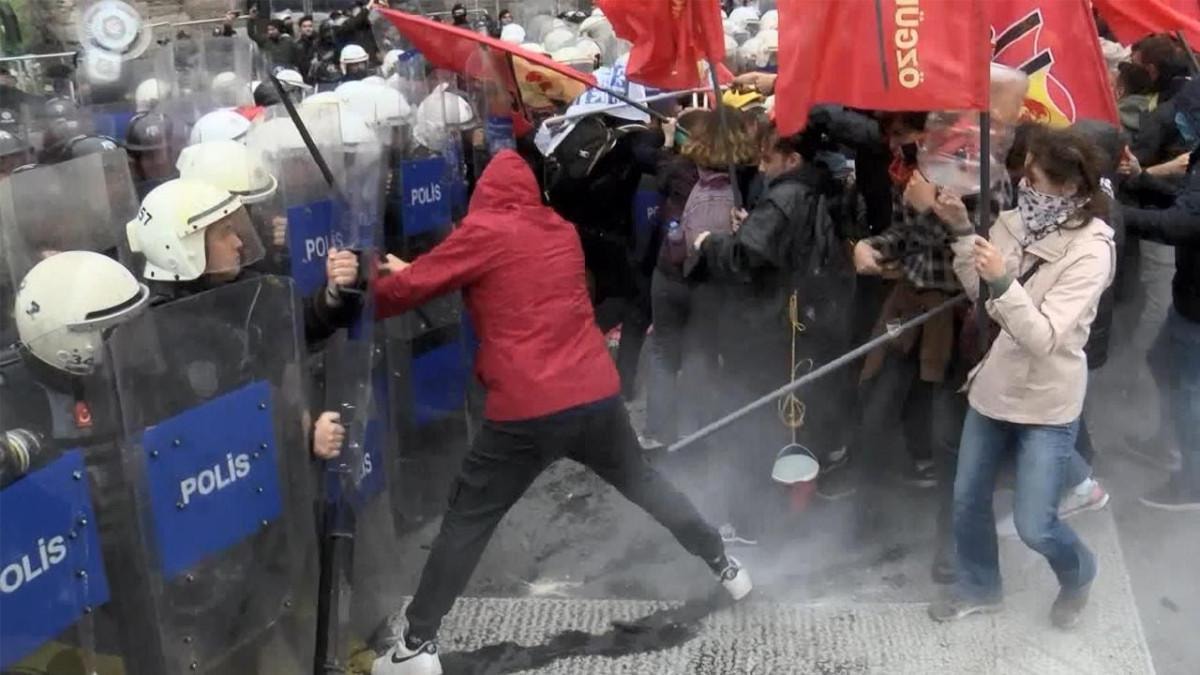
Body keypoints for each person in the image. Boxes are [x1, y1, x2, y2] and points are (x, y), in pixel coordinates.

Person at [369, 150, 751, 675]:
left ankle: (416, 644)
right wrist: (420, 271)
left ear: (484, 195)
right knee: (646, 484)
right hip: (593, 392)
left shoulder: (482, 231)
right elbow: (510, 280)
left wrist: (360, 288)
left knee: (469, 518)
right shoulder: (559, 230)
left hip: (526, 406)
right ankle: (725, 564)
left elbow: (406, 291)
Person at [928, 126, 1115, 629]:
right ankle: (980, 587)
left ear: (1069, 187)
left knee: (1036, 525)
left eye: (1035, 179)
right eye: (1025, 176)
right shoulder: (1013, 223)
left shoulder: (1092, 250)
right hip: (993, 387)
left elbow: (1043, 335)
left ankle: (1079, 572)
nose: (1024, 187)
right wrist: (963, 233)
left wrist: (1002, 279)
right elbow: (980, 297)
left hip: (1047, 403)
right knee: (968, 499)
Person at [690, 126, 855, 545]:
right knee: (793, 418)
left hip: (772, 326)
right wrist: (753, 228)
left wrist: (710, 243)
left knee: (758, 422)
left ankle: (753, 523)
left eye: (768, 158)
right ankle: (795, 510)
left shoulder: (785, 196)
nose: (761, 168)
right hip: (804, 324)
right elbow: (786, 248)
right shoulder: (818, 189)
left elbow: (743, 258)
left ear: (792, 159)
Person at [1121, 78, 1200, 511]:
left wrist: (1117, 215)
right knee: (1163, 363)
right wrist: (1143, 178)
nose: (1182, 125)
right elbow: (1189, 199)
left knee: (1190, 391)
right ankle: (1170, 441)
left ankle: (1192, 482)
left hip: (1197, 306)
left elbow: (1181, 224)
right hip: (1188, 298)